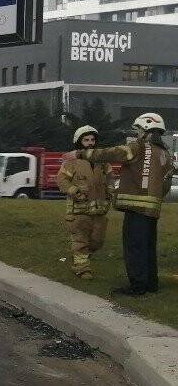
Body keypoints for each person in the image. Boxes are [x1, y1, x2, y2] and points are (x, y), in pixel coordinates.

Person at [66, 113, 173, 295]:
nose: (137, 133)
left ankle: (137, 286)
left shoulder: (139, 147)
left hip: (135, 208)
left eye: (138, 130)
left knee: (134, 247)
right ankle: (150, 284)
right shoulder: (164, 153)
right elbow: (166, 183)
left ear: (146, 129)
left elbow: (112, 153)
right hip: (152, 210)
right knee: (148, 247)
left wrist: (80, 153)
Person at [56, 126, 113, 279]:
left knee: (97, 241)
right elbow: (61, 180)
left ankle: (82, 256)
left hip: (99, 210)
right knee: (80, 240)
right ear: (79, 141)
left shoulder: (102, 161)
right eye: (86, 140)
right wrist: (74, 191)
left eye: (92, 140)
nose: (90, 143)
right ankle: (82, 268)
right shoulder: (72, 161)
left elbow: (110, 178)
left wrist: (110, 192)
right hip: (78, 210)